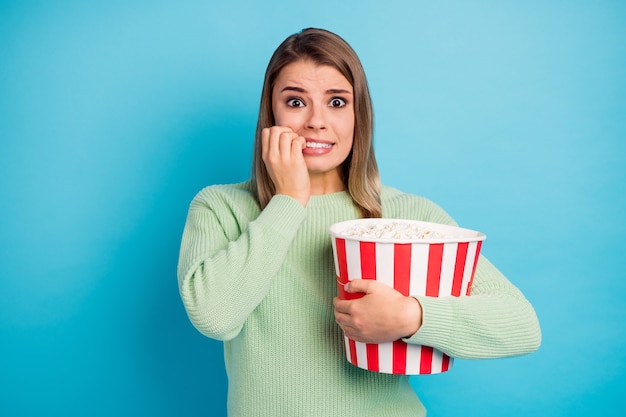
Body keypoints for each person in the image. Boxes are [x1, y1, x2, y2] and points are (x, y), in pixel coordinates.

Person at [177, 28, 541, 416]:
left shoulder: (406, 216)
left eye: (336, 101)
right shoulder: (221, 207)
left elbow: (521, 325)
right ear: (271, 115)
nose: (316, 122)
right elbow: (215, 317)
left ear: (358, 116)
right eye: (296, 101)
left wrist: (411, 316)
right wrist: (287, 201)